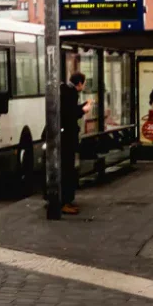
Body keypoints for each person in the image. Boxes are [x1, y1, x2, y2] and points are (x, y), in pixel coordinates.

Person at [60, 72, 92, 215]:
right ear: (79, 83)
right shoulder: (71, 93)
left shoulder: (65, 90)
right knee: (67, 168)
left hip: (63, 136)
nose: (84, 86)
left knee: (67, 168)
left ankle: (65, 201)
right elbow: (70, 113)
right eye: (84, 83)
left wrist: (81, 107)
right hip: (67, 137)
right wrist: (84, 110)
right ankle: (65, 202)